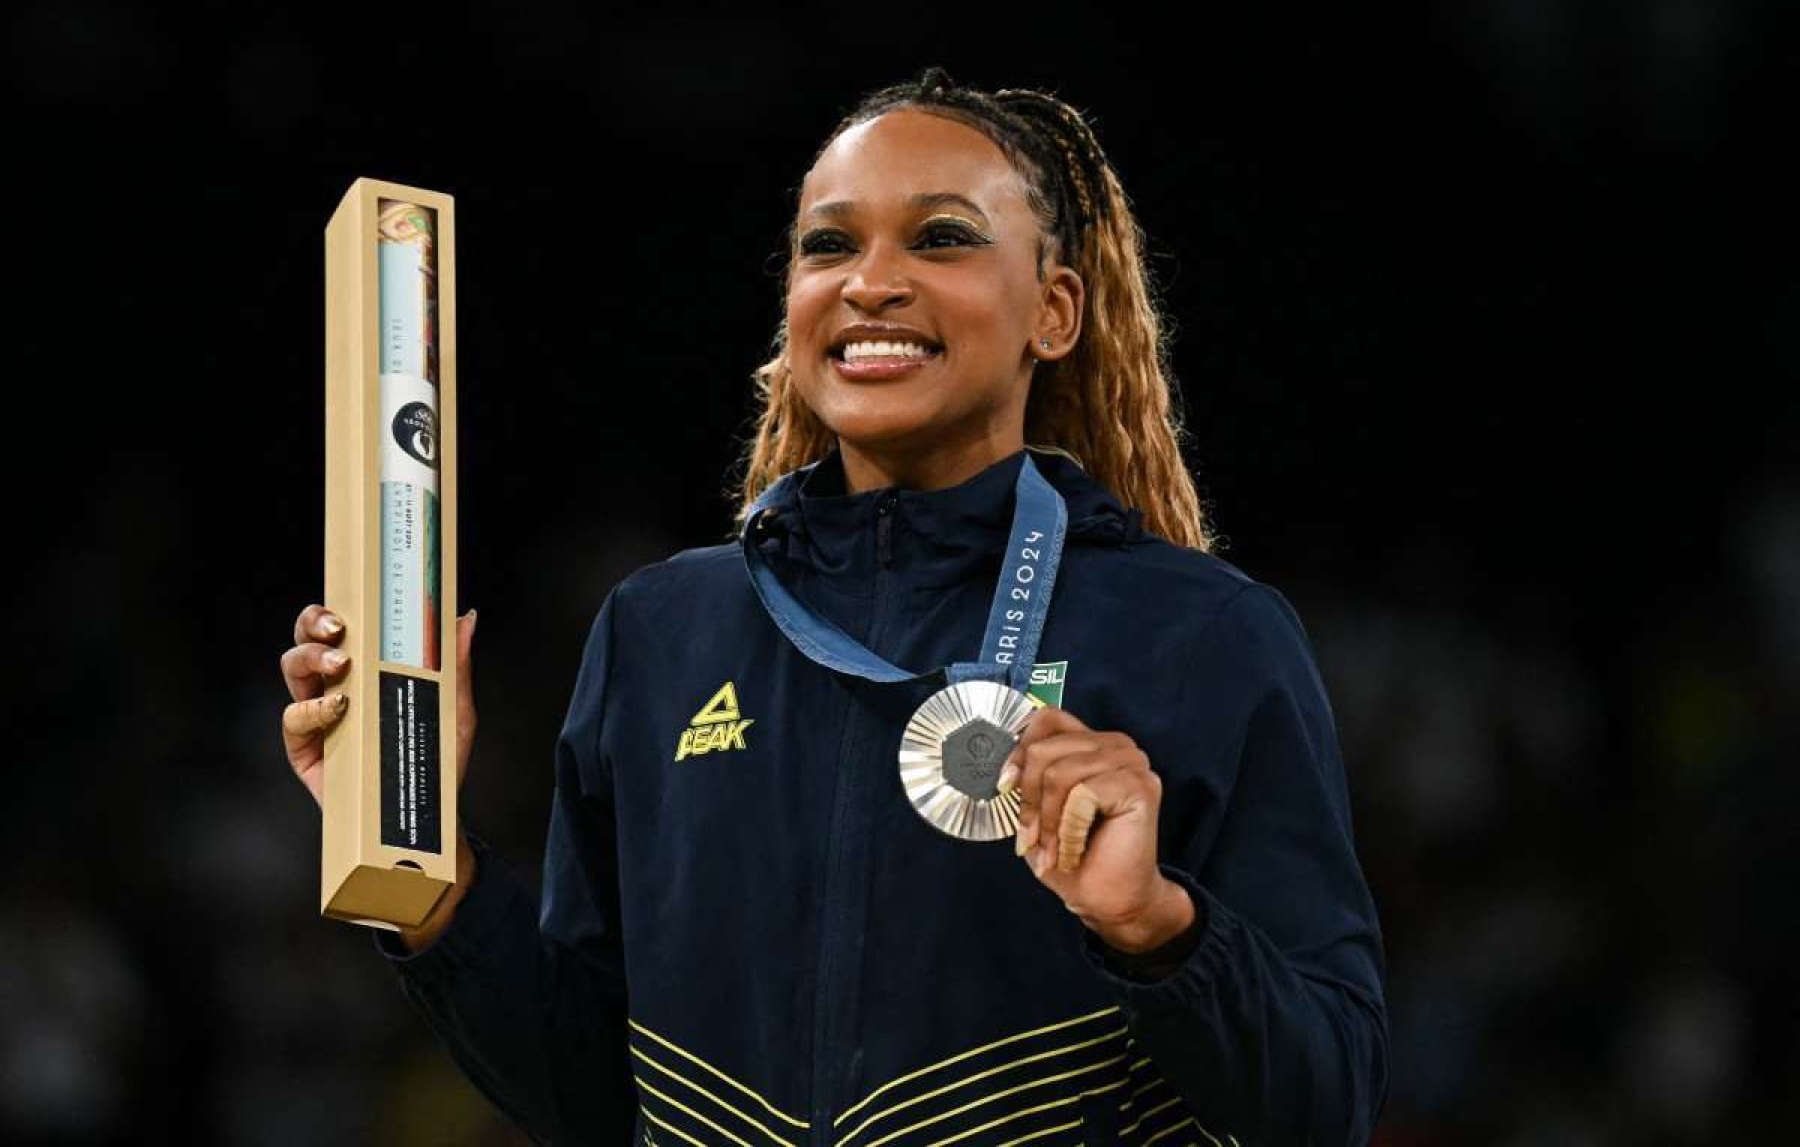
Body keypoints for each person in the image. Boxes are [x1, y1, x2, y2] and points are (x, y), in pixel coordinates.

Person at [280, 66, 1388, 1146]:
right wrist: (421, 859)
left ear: (1053, 312)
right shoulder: (663, 633)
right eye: (829, 245)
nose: (871, 281)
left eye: (942, 237)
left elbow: (1327, 1098)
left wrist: (1156, 928)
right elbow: (592, 1098)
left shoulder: (1200, 633)